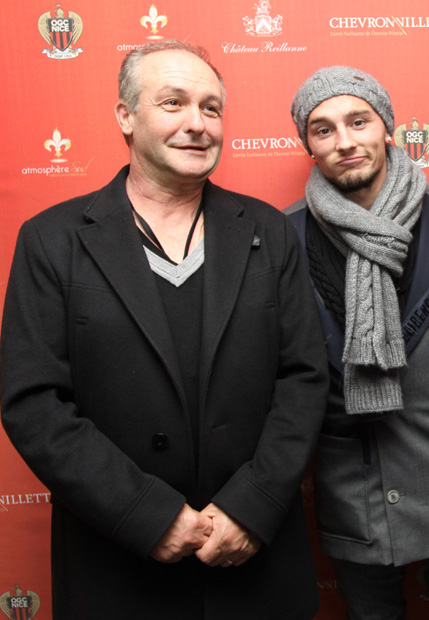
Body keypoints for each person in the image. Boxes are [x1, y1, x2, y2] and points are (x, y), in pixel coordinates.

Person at [0, 40, 329, 619]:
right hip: (117, 563)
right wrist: (145, 514)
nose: (197, 124)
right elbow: (34, 403)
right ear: (126, 116)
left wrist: (252, 505)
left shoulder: (269, 231)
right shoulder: (52, 240)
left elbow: (303, 378)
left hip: (252, 559)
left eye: (211, 108)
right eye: (173, 103)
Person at [285, 66, 429, 620]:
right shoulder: (286, 236)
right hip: (355, 478)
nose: (344, 141)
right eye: (323, 129)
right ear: (308, 144)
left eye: (359, 121)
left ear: (388, 127)